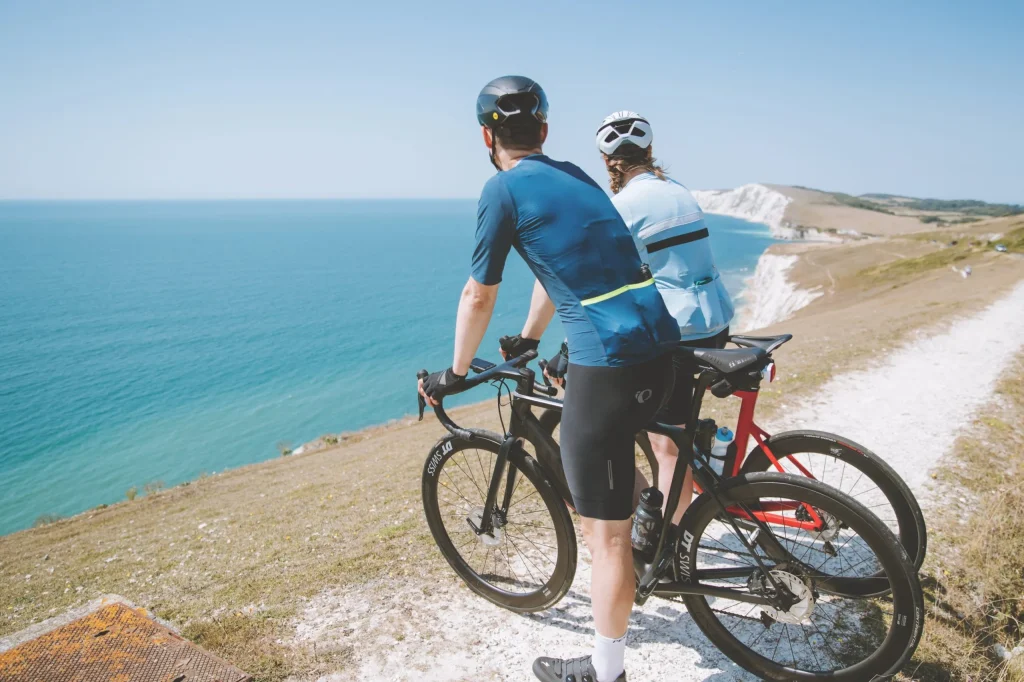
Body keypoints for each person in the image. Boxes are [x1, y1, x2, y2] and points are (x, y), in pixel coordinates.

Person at [418, 77, 680, 682]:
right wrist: (532, 338)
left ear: (487, 136)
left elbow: (478, 294)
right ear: (543, 131)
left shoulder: (502, 190)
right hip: (660, 350)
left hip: (607, 365)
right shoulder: (579, 177)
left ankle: (605, 671)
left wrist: (455, 373)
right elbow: (556, 266)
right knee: (613, 463)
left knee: (604, 537)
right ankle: (648, 525)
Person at [589, 111, 735, 525]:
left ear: (606, 161)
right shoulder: (679, 192)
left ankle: (671, 546)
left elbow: (610, 288)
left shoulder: (620, 207)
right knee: (669, 420)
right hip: (715, 323)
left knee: (666, 447)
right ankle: (693, 459)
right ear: (650, 152)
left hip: (678, 335)